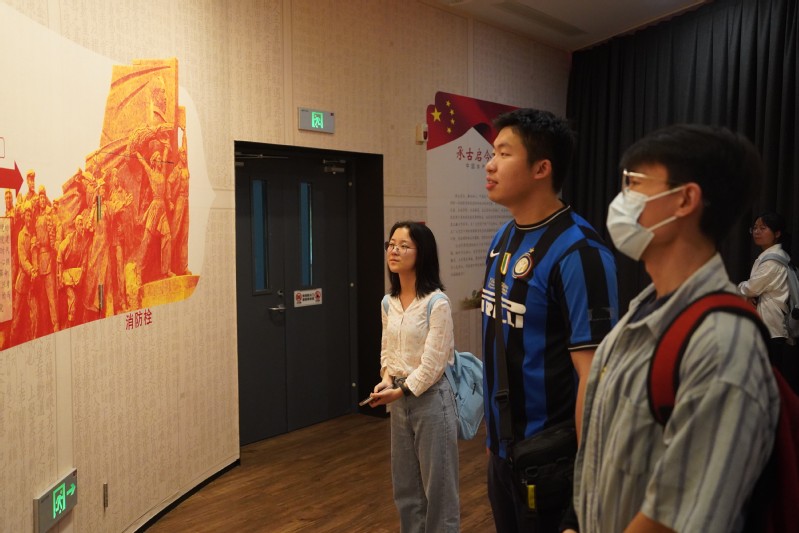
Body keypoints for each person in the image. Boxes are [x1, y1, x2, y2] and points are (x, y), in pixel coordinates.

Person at [571, 124, 780, 533]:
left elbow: (678, 520)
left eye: (634, 184)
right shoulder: (640, 312)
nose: (621, 199)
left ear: (685, 199)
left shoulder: (721, 345)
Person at [481, 108, 618, 532]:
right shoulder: (503, 238)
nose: (490, 164)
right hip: (502, 455)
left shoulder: (581, 252)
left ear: (542, 168)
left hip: (553, 462)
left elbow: (595, 378)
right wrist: (495, 444)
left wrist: (583, 493)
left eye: (504, 153)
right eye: (492, 152)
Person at [366, 221, 459, 533]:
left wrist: (401, 390)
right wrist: (386, 379)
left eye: (403, 245)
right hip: (400, 403)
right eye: (391, 244)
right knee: (406, 491)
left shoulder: (436, 302)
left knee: (439, 492)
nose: (394, 251)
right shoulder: (388, 302)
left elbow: (433, 364)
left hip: (432, 402)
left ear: (422, 253)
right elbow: (388, 351)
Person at [738, 211, 799, 392]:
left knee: (768, 382)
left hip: (771, 326)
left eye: (763, 228)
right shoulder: (775, 256)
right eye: (755, 228)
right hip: (771, 326)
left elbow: (750, 288)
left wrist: (742, 287)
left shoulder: (773, 261)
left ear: (777, 233)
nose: (757, 232)